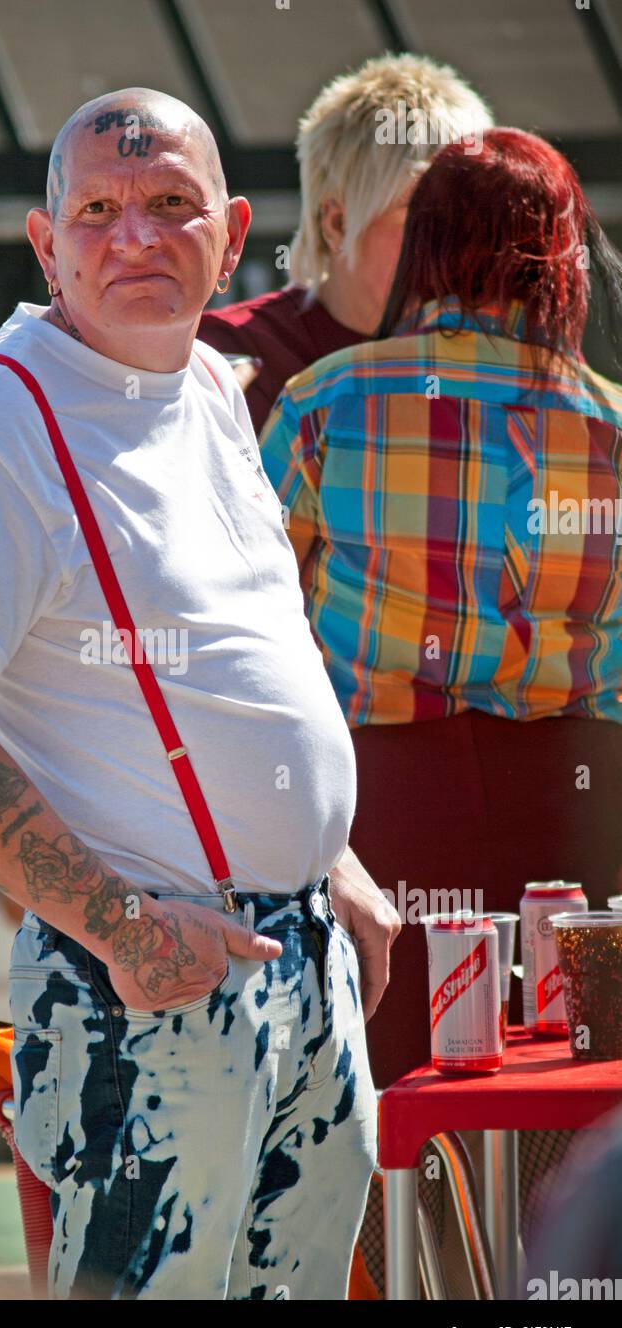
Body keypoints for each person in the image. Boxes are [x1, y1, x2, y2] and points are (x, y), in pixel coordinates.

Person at [0, 86, 398, 1300]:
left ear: (231, 227)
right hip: (151, 982)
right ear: (45, 242)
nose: (136, 237)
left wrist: (333, 859)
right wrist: (122, 933)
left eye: (171, 205)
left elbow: (244, 650)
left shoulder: (217, 389)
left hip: (298, 960)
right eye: (98, 210)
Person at [261, 127, 622, 1092]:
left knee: (384, 1103)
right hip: (576, 813)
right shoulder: (612, 427)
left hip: (379, 814)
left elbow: (253, 625)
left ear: (425, 244)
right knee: (565, 1102)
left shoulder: (323, 402)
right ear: (561, 257)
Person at [197, 54, 493, 433]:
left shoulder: (502, 353)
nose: (455, 243)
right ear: (335, 223)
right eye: (423, 216)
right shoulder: (229, 354)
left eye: (470, 217)